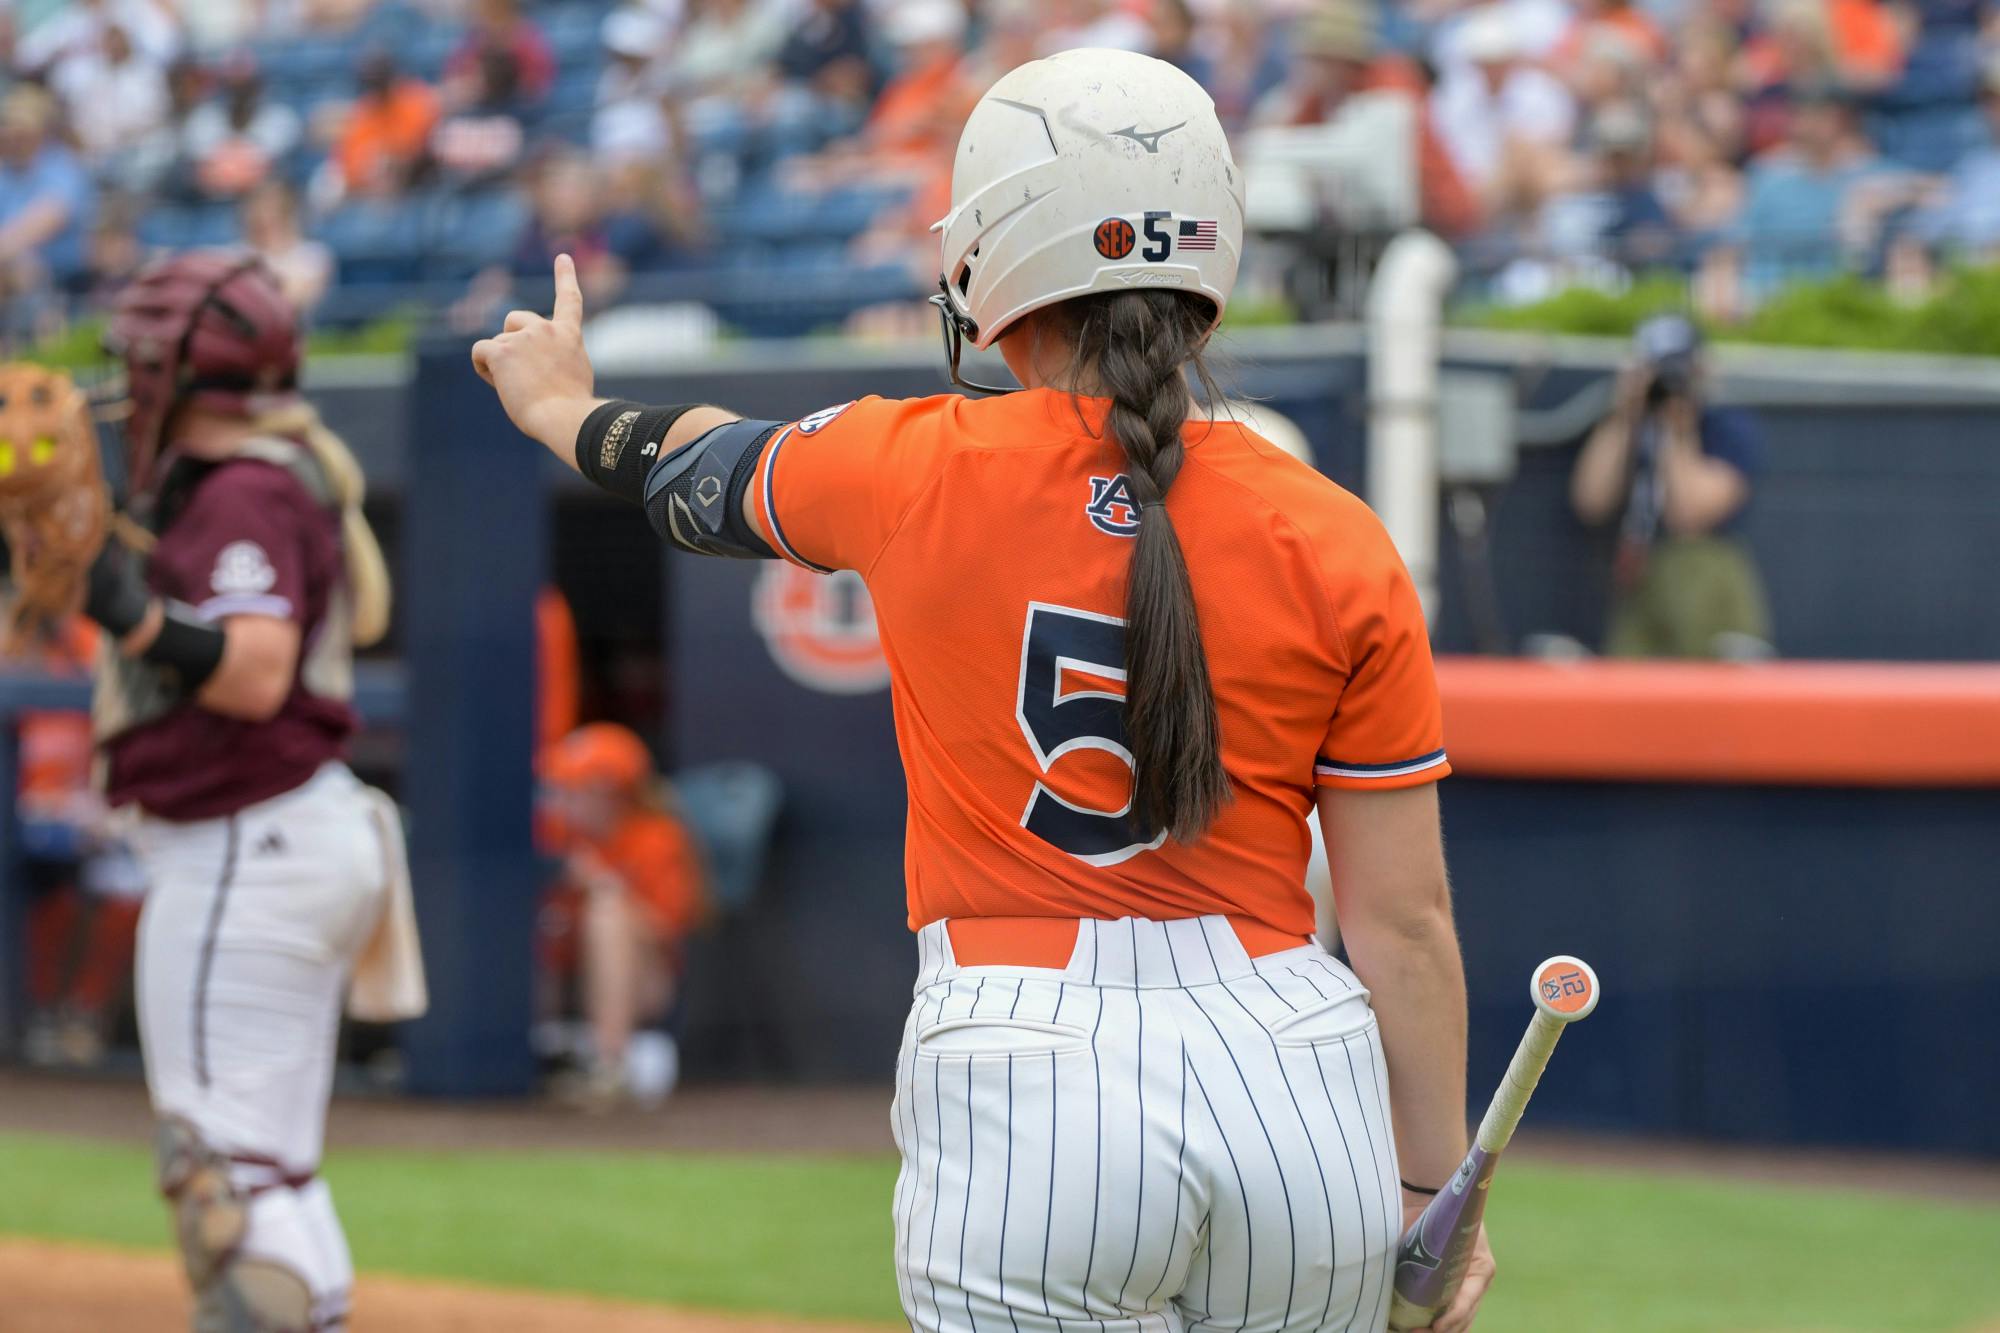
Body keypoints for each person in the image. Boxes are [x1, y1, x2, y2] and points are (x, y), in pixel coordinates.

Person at [475, 48, 1489, 1333]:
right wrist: (1431, 1189)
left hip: (1026, 1050)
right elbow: (1403, 923)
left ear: (990, 261)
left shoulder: (908, 466)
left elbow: (693, 469)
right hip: (1292, 1070)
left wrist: (564, 407)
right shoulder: (1335, 533)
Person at [81, 251, 411, 1332]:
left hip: (245, 843)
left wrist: (128, 610)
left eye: (139, 360)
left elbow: (253, 671)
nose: (126, 382)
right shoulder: (253, 478)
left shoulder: (245, 489)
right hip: (280, 837)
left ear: (184, 371)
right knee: (271, 1170)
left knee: (223, 1177)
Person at [1569, 314, 1773, 658]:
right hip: (1640, 573)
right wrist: (1623, 415)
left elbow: (1690, 515)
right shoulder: (1632, 424)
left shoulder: (1727, 426)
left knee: (1707, 698)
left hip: (1704, 571)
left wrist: (1677, 432)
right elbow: (1590, 501)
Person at [537, 723, 709, 1107]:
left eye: (576, 789)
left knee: (609, 914)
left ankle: (609, 1066)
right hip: (563, 976)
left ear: (611, 792)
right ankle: (528, 1055)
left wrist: (601, 882)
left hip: (644, 983)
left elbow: (668, 930)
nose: (564, 799)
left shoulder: (657, 837)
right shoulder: (557, 835)